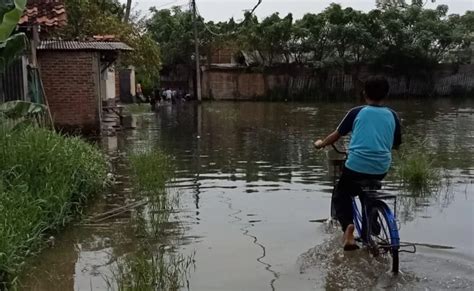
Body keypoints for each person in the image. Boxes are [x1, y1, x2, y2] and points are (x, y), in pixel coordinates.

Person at [314, 76, 401, 251]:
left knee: (341, 192)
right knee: (368, 192)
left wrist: (321, 143)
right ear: (386, 95)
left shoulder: (356, 112)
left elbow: (337, 135)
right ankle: (373, 226)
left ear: (364, 94)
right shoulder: (393, 115)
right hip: (381, 167)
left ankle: (348, 229)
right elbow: (396, 144)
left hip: (357, 165)